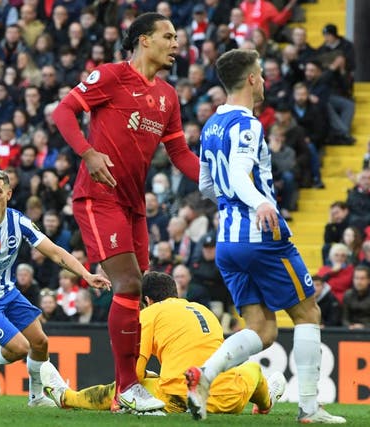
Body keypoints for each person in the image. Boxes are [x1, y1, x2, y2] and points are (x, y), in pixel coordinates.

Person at [51, 12, 199, 414]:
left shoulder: (168, 94)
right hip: (98, 196)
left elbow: (180, 154)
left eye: (177, 37)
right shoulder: (112, 76)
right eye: (167, 36)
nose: (175, 44)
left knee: (141, 290)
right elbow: (63, 112)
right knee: (130, 284)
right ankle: (129, 386)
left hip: (133, 204)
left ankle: (127, 390)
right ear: (143, 40)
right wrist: (87, 152)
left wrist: (215, 180)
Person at [188, 48, 345, 423]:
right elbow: (241, 172)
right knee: (308, 311)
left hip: (227, 239)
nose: (264, 80)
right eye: (261, 73)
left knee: (262, 328)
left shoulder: (211, 124)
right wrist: (260, 203)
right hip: (260, 236)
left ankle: (204, 375)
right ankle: (309, 407)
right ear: (252, 79)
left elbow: (206, 184)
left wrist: (234, 202)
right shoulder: (248, 124)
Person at [0, 169, 111, 407]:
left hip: (7, 292)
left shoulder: (18, 222)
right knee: (20, 347)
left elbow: (54, 251)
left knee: (41, 343)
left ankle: (36, 397)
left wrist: (86, 274)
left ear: (8, 193)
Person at [40, 272, 286, 415]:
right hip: (231, 398)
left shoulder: (150, 313)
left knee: (128, 387)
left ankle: (65, 396)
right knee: (251, 369)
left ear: (146, 299)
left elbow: (132, 374)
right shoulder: (202, 309)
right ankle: (264, 405)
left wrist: (142, 377)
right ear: (175, 293)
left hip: (181, 399)